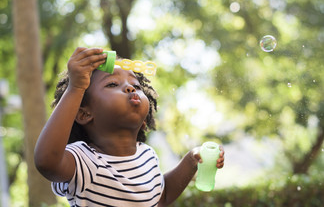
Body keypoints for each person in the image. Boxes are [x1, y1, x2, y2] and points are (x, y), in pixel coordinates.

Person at [34, 47, 225, 207]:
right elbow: (47, 162)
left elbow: (161, 195)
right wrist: (75, 88)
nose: (130, 88)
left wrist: (191, 160)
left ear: (143, 120)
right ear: (84, 113)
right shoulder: (85, 161)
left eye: (136, 85)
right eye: (112, 84)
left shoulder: (147, 155)